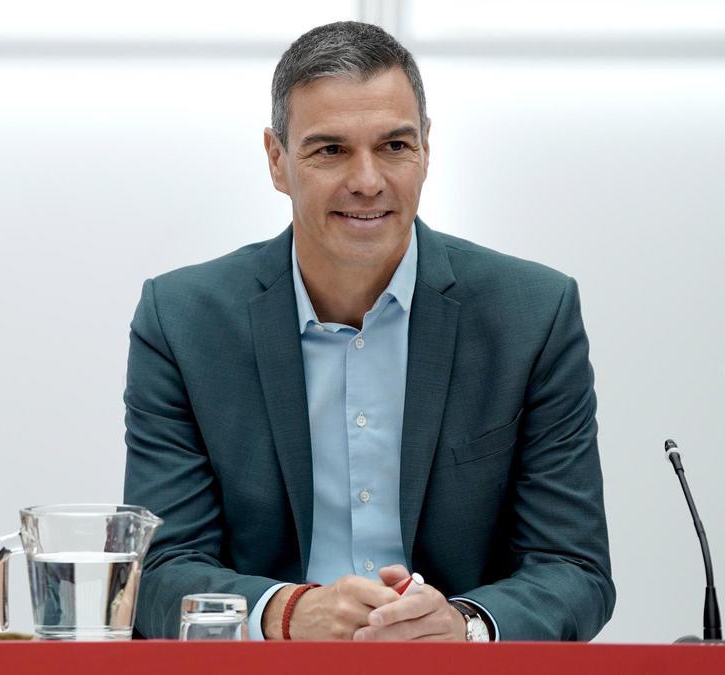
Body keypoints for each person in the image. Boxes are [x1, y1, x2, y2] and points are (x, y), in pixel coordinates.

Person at [123, 22, 613, 642]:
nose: (367, 181)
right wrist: (288, 613)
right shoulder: (183, 320)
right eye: (330, 150)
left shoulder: (533, 315)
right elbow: (159, 572)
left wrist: (464, 626)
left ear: (426, 150)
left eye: (394, 147)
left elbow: (574, 568)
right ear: (277, 160)